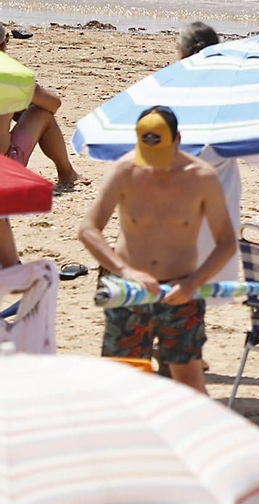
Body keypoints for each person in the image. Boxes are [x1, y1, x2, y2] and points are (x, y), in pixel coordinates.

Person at [79, 106, 235, 393]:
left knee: (188, 380)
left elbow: (226, 242)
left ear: (178, 139)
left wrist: (193, 283)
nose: (154, 164)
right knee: (123, 378)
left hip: (181, 289)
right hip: (129, 289)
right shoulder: (125, 170)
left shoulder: (201, 177)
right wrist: (125, 271)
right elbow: (88, 230)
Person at [176, 22, 243, 283]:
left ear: (181, 54)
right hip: (219, 225)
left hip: (175, 214)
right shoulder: (227, 98)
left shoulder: (171, 94)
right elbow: (254, 153)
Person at [0, 25, 82, 191]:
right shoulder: (10, 76)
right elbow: (53, 104)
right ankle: (67, 173)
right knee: (41, 113)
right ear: (3, 45)